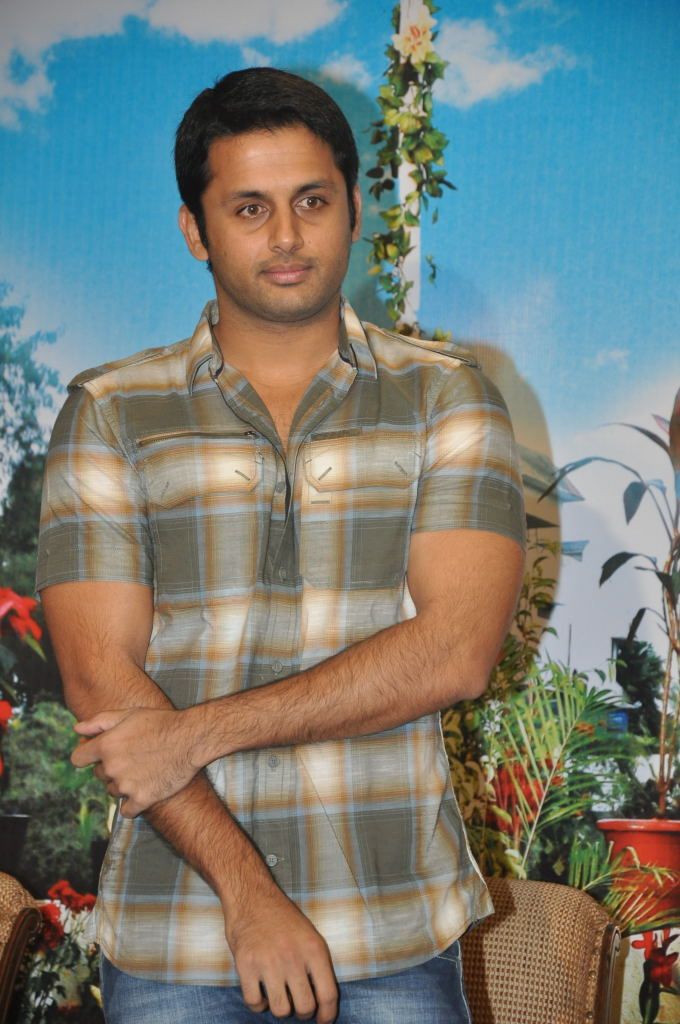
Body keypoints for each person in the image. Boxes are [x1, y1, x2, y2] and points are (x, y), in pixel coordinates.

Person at [37, 68, 525, 1024]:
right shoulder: (112, 411)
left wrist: (196, 732)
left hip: (391, 930)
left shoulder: (446, 396)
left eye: (312, 200)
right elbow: (102, 683)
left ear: (354, 209)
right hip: (180, 933)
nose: (288, 236)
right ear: (196, 230)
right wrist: (249, 895)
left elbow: (456, 652)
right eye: (250, 208)